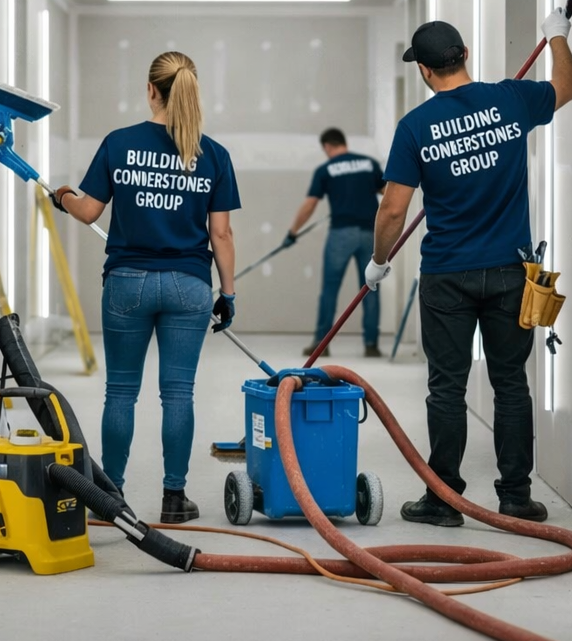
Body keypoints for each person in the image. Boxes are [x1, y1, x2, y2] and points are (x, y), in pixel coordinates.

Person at [363, 11, 572, 526]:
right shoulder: (510, 98)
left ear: (426, 72)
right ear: (464, 56)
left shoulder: (415, 127)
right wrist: (557, 38)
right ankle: (516, 497)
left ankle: (444, 500)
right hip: (509, 271)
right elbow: (566, 87)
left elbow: (393, 210)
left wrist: (378, 261)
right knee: (511, 384)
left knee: (446, 388)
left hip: (447, 275)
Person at [51, 51, 240, 524]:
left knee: (120, 393)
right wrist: (229, 293)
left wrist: (63, 197)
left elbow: (90, 211)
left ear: (152, 90)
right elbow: (221, 234)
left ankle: (106, 501)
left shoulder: (120, 143)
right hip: (189, 285)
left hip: (127, 284)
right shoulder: (213, 154)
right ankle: (174, 499)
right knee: (178, 394)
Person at [283, 128, 386, 357]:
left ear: (328, 147)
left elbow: (310, 204)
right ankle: (371, 345)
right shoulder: (369, 164)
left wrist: (292, 232)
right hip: (370, 233)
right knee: (370, 289)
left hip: (341, 234)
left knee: (330, 289)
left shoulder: (325, 169)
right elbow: (388, 193)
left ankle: (322, 343)